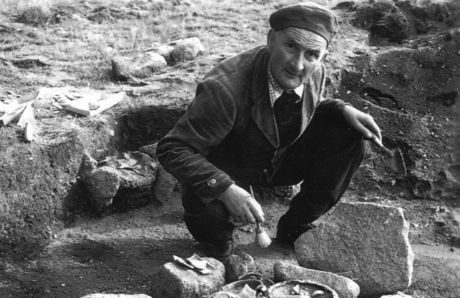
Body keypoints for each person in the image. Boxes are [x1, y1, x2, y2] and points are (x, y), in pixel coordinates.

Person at [156, 2, 382, 259]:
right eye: (290, 46)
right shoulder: (225, 89)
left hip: (276, 159)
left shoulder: (316, 70)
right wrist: (225, 189)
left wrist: (342, 109)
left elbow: (304, 104)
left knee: (349, 136)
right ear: (271, 40)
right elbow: (172, 148)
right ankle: (218, 243)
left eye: (311, 55)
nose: (298, 65)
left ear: (322, 57)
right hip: (228, 166)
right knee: (211, 220)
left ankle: (295, 228)